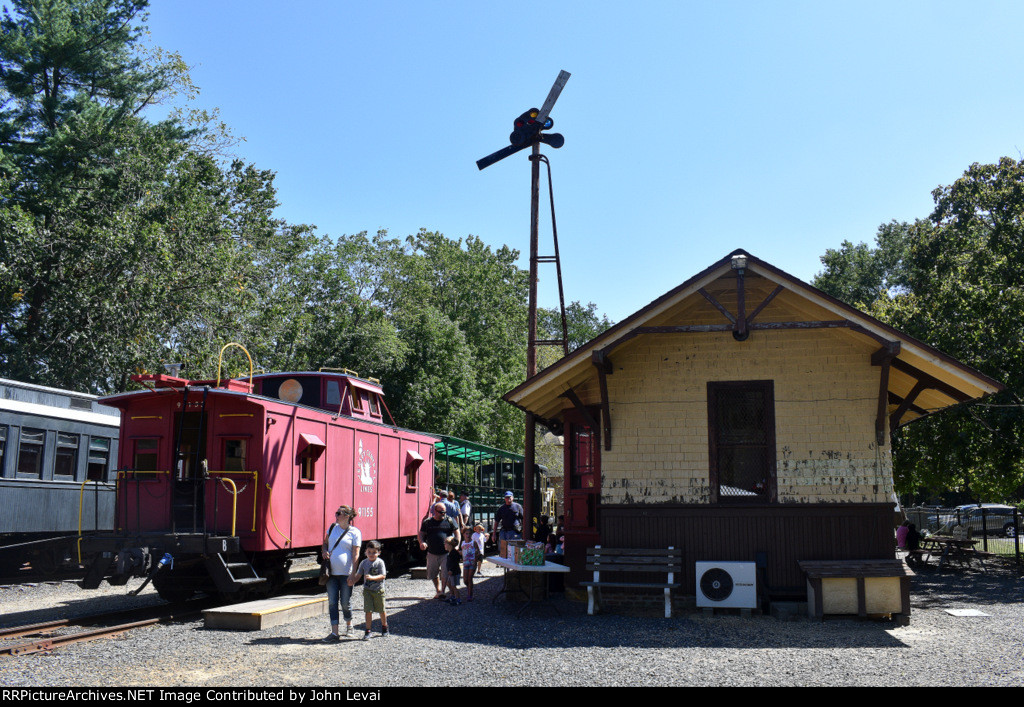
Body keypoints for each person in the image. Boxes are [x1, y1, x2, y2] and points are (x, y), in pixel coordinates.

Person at [321, 505, 362, 641]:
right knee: (332, 602)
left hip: (346, 573)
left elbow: (356, 554)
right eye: (336, 513)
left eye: (339, 513)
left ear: (347, 516)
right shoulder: (332, 528)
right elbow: (325, 543)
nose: (336, 515)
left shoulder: (355, 532)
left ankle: (349, 625)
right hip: (331, 573)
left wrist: (354, 574)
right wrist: (324, 551)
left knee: (345, 602)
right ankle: (335, 633)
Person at [419, 502, 460, 600]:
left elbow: (457, 532)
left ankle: (442, 591)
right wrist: (422, 542)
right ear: (435, 511)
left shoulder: (449, 520)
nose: (443, 514)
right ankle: (438, 590)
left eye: (444, 512)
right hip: (432, 552)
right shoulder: (427, 522)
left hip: (446, 553)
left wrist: (457, 545)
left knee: (445, 573)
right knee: (433, 573)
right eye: (441, 512)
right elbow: (421, 534)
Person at [350, 540, 388, 639]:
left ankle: (384, 626)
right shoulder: (363, 563)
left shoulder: (380, 562)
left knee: (381, 610)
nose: (371, 554)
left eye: (374, 552)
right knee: (368, 610)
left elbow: (383, 575)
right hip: (367, 590)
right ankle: (368, 630)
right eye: (369, 552)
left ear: (379, 553)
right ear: (366, 552)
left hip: (379, 590)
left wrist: (372, 578)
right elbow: (359, 575)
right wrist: (353, 580)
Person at [491, 490, 524, 558]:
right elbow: (496, 521)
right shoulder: (501, 508)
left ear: (513, 498)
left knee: (514, 551)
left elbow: (523, 519)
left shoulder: (518, 507)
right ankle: (505, 567)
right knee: (503, 551)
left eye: (509, 497)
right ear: (504, 498)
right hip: (504, 532)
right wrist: (494, 534)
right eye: (506, 497)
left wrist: (524, 531)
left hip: (514, 532)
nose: (508, 499)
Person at [444, 536, 462, 605]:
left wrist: (451, 570)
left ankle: (458, 600)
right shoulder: (450, 552)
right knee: (449, 583)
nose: (444, 545)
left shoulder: (453, 553)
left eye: (445, 544)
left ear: (449, 545)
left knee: (454, 586)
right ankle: (452, 596)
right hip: (451, 572)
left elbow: (455, 563)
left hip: (454, 572)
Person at [460, 531, 478, 601]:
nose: (468, 535)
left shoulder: (473, 542)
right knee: (465, 580)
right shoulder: (462, 543)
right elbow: (463, 551)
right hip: (465, 563)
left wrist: (475, 561)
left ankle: (469, 595)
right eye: (466, 533)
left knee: (469, 578)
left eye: (469, 533)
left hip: (472, 562)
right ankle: (470, 588)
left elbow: (477, 552)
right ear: (463, 534)